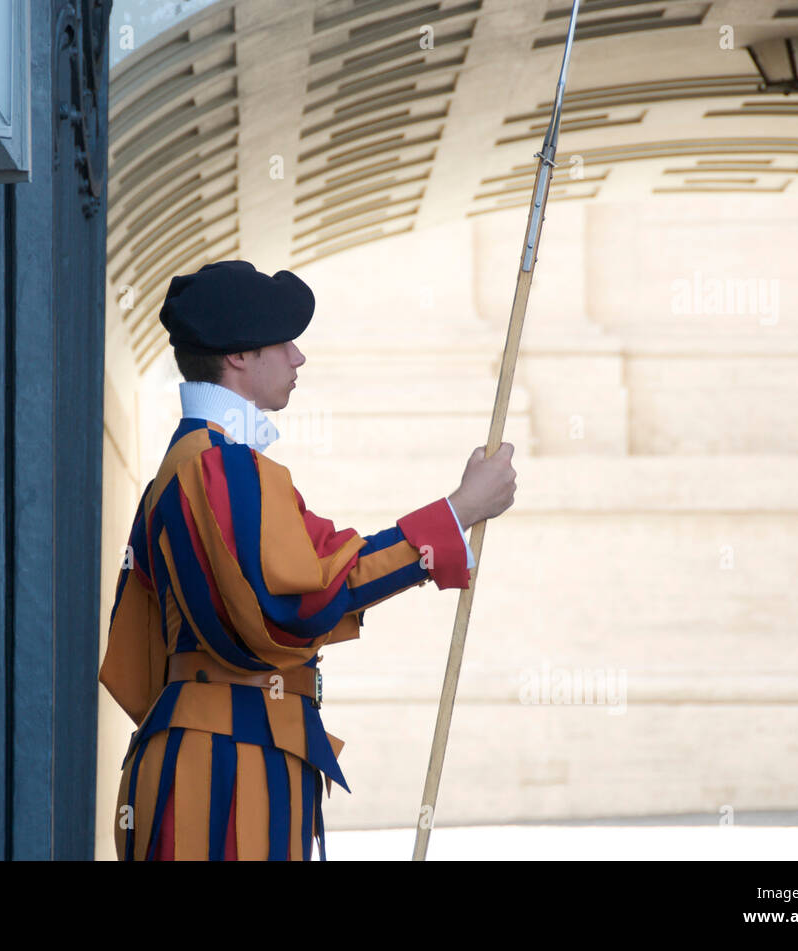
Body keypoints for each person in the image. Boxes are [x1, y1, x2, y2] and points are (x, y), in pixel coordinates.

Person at [99, 260, 516, 860]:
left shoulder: (189, 466)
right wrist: (456, 513)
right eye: (282, 341)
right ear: (239, 357)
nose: (298, 358)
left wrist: (453, 518)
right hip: (227, 768)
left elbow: (137, 659)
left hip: (209, 750)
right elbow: (296, 601)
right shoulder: (224, 465)